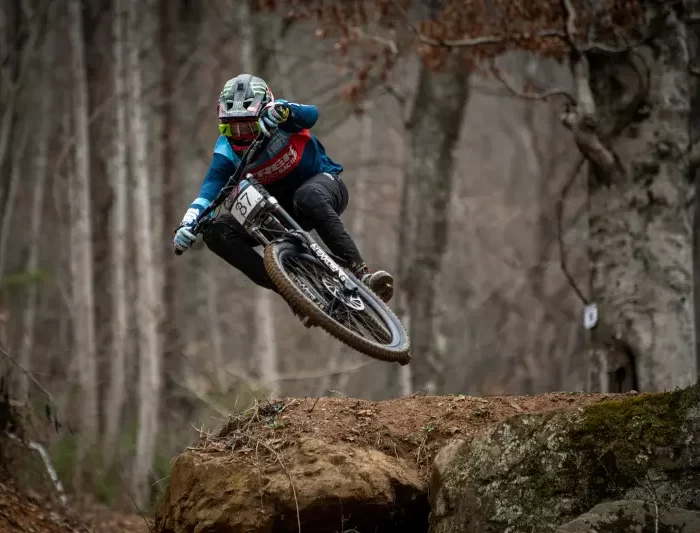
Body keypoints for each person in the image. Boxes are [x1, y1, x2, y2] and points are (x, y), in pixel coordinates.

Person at [173, 73, 394, 310]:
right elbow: (209, 191)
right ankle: (293, 294)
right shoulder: (226, 151)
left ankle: (362, 274)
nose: (241, 136)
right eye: (231, 128)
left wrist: (283, 111)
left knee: (307, 196)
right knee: (217, 233)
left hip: (323, 188)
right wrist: (188, 224)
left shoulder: (280, 116)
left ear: (263, 112)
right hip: (277, 212)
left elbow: (312, 115)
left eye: (248, 127)